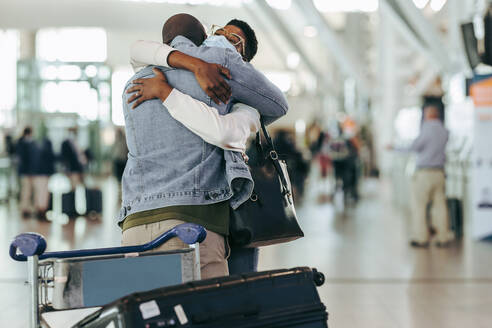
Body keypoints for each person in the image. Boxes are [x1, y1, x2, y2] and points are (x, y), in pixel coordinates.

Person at [119, 14, 288, 279]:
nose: (221, 39)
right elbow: (277, 105)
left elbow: (137, 49)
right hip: (195, 220)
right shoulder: (222, 68)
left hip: (135, 222)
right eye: (218, 32)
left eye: (234, 40)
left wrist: (168, 89)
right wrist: (197, 66)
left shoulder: (136, 80)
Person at [387, 105, 452, 247]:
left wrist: (394, 147)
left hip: (424, 173)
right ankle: (443, 236)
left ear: (428, 115)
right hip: (440, 172)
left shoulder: (427, 129)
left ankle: (421, 237)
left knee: (419, 205)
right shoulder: (444, 131)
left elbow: (415, 146)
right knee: (440, 205)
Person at [32, 137, 55, 220]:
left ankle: (39, 211)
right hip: (44, 175)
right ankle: (42, 212)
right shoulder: (48, 153)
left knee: (39, 193)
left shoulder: (37, 151)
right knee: (43, 194)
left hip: (37, 174)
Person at [16, 126, 37, 218]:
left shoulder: (21, 142)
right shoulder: (25, 143)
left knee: (27, 190)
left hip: (25, 171)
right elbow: (26, 159)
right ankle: (25, 208)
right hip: (26, 171)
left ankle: (27, 208)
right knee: (26, 190)